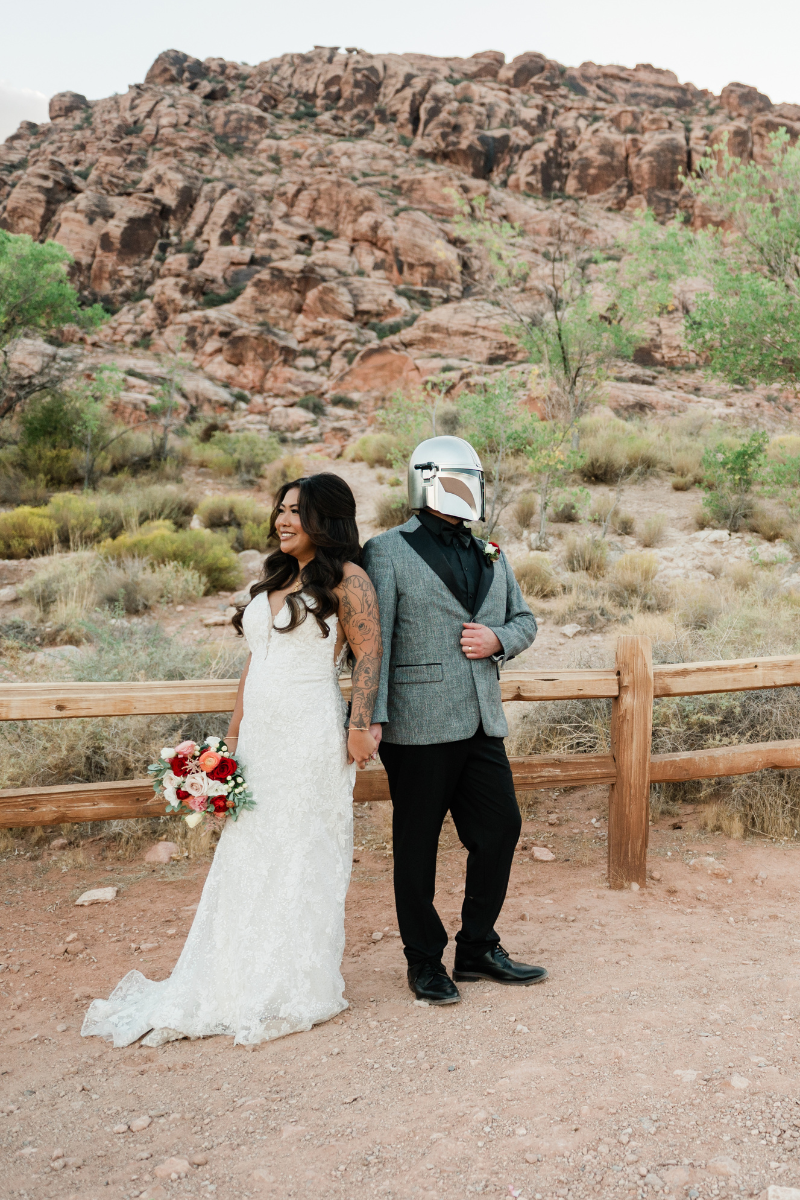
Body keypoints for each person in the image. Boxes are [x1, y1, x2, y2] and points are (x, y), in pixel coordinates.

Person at [82, 474, 381, 1046]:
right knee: (249, 851)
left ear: (327, 520)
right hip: (261, 736)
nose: (282, 520)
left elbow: (369, 656)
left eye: (297, 512)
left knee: (300, 851)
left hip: (310, 734)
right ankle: (234, 974)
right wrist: (230, 739)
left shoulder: (349, 580)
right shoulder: (270, 579)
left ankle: (295, 982)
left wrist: (360, 726)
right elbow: (254, 664)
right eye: (281, 510)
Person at [362, 435, 546, 1005]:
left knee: (501, 829)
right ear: (429, 481)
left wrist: (499, 640)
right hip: (415, 727)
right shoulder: (387, 550)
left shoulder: (492, 551)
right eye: (460, 477)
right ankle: (424, 962)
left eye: (476, 478)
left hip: (482, 723)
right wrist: (371, 717)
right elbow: (374, 643)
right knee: (416, 846)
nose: (471, 489)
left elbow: (525, 619)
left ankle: (476, 949)